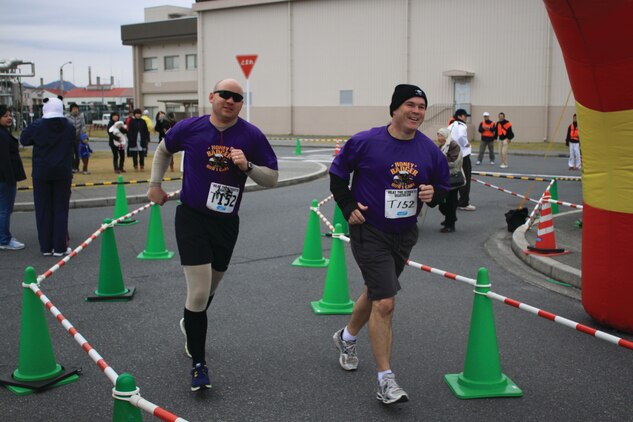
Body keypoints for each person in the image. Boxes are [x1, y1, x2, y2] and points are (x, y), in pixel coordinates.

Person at [147, 78, 279, 392]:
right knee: (197, 292)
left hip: (226, 223)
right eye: (225, 94)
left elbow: (272, 178)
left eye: (237, 97)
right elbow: (163, 151)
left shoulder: (250, 135)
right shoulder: (189, 128)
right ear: (212, 97)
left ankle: (190, 324)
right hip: (191, 218)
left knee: (209, 290)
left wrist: (247, 166)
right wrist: (155, 184)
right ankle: (199, 364)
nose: (230, 100)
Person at [329, 84, 449, 404]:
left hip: (405, 234)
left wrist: (433, 194)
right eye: (410, 104)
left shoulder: (428, 150)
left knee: (375, 291)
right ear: (394, 109)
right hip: (370, 230)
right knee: (385, 301)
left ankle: (346, 337)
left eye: (422, 106)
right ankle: (386, 380)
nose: (417, 111)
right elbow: (338, 174)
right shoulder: (366, 141)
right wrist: (347, 205)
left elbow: (443, 184)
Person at [20, 97, 74, 256]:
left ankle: (46, 247)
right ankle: (60, 247)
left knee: (43, 209)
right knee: (61, 209)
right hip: (63, 172)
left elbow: (24, 139)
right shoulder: (69, 126)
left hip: (42, 172)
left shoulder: (38, 125)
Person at [0, 105, 27, 250]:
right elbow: (4, 160)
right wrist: (11, 180)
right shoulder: (2, 135)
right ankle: (4, 240)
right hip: (5, 179)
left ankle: (3, 236)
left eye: (10, 115)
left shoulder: (4, 133)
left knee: (3, 209)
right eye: (5, 116)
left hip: (5, 178)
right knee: (5, 209)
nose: (9, 118)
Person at [437, 127, 463, 233]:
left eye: (441, 135)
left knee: (450, 202)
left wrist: (440, 161)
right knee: (443, 203)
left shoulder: (453, 145)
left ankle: (450, 224)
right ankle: (450, 218)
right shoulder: (442, 146)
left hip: (453, 178)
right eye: (438, 135)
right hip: (445, 178)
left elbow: (454, 161)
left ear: (446, 135)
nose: (439, 137)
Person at [449, 109, 476, 211]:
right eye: (465, 116)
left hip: (453, 156)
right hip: (463, 155)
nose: (466, 118)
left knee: (455, 178)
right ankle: (464, 202)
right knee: (465, 179)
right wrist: (465, 143)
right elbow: (461, 136)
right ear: (460, 116)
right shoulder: (462, 125)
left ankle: (454, 201)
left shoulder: (451, 125)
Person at [65, 102, 86, 173]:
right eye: (73, 109)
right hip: (69, 138)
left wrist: (83, 136)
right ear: (71, 110)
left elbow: (83, 126)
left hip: (78, 138)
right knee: (71, 153)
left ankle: (76, 167)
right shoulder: (66, 117)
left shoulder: (81, 116)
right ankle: (72, 167)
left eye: (76, 108)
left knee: (78, 153)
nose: (75, 110)